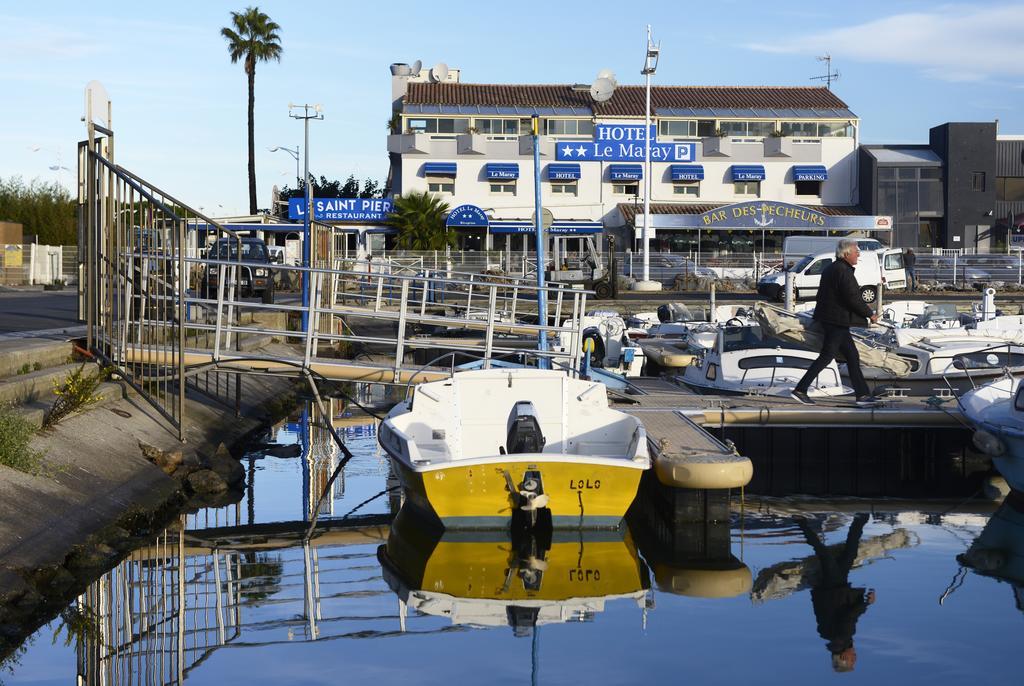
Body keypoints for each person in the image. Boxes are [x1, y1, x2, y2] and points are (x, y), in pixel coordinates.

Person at [791, 239, 880, 406]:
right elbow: (853, 298)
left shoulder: (832, 268)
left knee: (853, 356)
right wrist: (870, 314)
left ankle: (862, 395)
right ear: (846, 254)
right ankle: (800, 389)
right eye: (856, 252)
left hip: (832, 319)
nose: (858, 254)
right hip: (836, 320)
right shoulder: (843, 271)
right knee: (827, 356)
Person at [797, 514, 876, 673]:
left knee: (824, 555)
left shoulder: (842, 636)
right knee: (849, 553)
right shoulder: (827, 636)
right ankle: (860, 519)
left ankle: (801, 523)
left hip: (833, 588)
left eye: (853, 659)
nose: (855, 655)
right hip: (832, 588)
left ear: (845, 658)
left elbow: (849, 615)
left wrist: (866, 603)